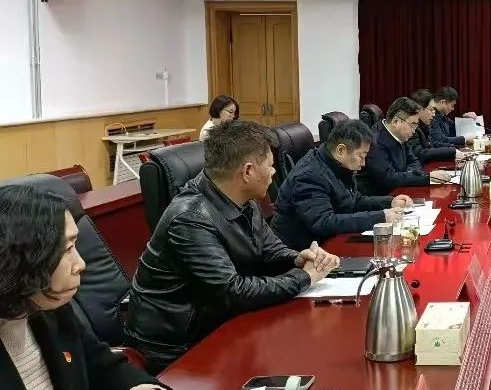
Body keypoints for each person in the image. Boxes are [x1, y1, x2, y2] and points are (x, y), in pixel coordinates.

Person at [0, 185, 175, 390]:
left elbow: (100, 366)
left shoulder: (49, 310)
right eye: (67, 249)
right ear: (22, 257)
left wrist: (144, 389)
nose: (81, 263)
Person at [126, 120, 340, 373]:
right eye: (270, 165)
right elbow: (232, 291)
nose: (274, 172)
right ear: (248, 171)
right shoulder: (190, 217)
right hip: (178, 347)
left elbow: (269, 249)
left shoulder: (243, 199)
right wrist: (304, 277)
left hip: (219, 323)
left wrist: (297, 259)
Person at [272, 120, 413, 250]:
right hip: (301, 253)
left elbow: (353, 201)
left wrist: (389, 202)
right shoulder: (309, 175)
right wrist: (381, 217)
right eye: (361, 156)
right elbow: (323, 222)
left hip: (329, 243)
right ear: (341, 150)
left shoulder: (336, 165)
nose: (364, 163)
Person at [355, 97, 454, 196]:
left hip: (400, 191)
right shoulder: (375, 141)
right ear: (395, 121)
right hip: (379, 197)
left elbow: (414, 161)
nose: (414, 131)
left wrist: (409, 174)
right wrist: (426, 178)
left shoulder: (402, 135)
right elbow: (388, 179)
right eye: (412, 125)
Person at [410, 89, 470, 165]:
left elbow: (433, 144)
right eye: (431, 110)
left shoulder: (424, 125)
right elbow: (421, 154)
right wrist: (452, 151)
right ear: (419, 110)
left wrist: (454, 149)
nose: (433, 114)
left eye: (434, 110)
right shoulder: (412, 128)